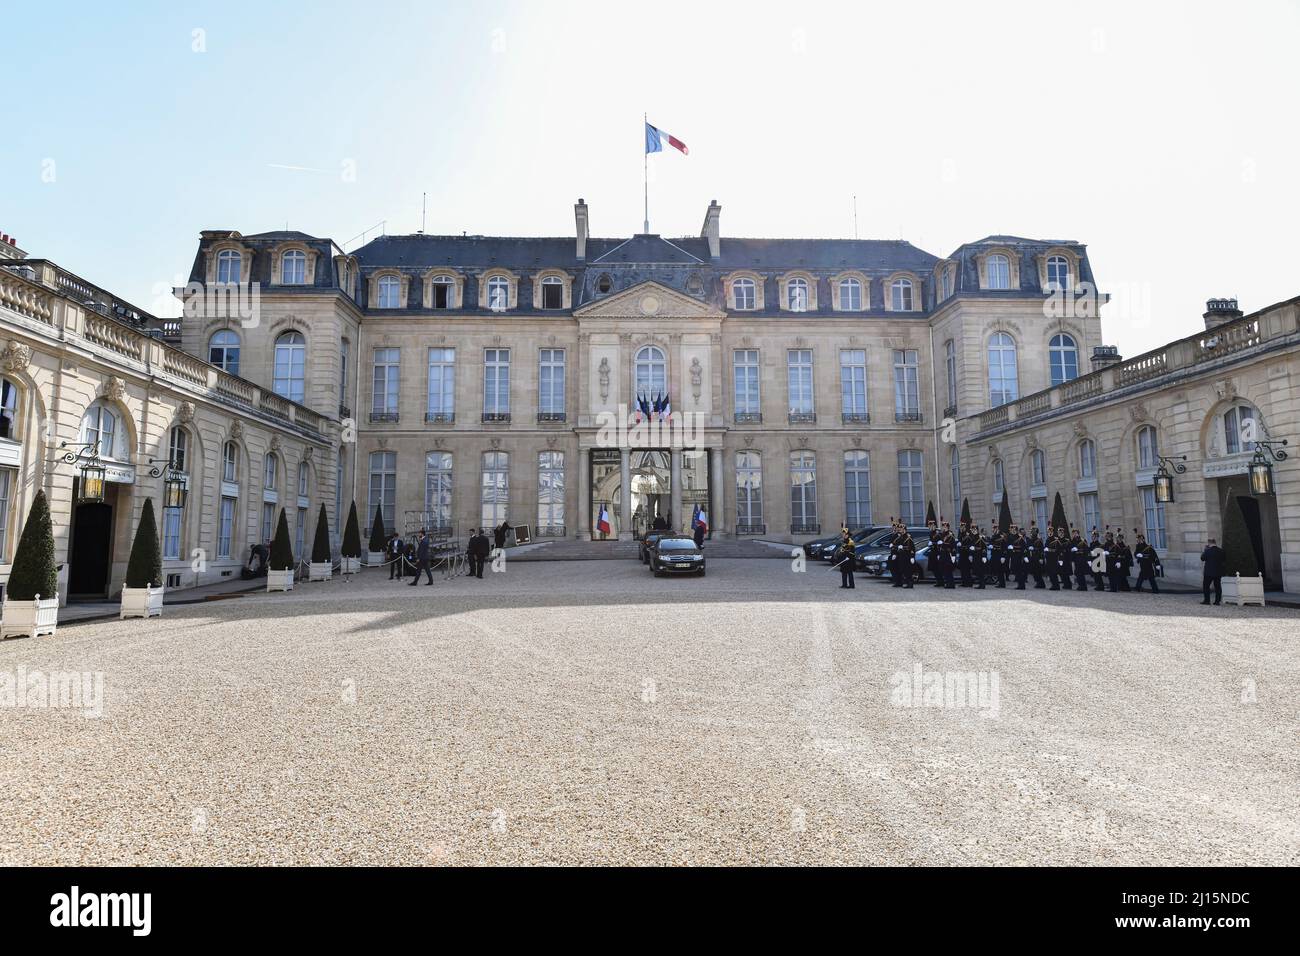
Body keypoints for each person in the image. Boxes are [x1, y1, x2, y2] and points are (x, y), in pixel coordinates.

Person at [1200, 536, 1225, 605]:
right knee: (1218, 587)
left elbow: (1202, 558)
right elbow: (1223, 560)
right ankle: (1217, 601)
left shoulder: (1207, 550)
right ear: (1215, 542)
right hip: (1218, 571)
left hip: (1208, 572)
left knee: (1206, 586)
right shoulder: (1221, 551)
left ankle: (1207, 601)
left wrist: (1205, 550)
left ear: (1209, 543)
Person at [1070, 528, 1091, 592]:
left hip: (1082, 558)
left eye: (1075, 533)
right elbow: (1070, 548)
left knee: (1080, 573)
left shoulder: (1082, 540)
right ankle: (1080, 585)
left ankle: (1083, 586)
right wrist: (1072, 550)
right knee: (1077, 573)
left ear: (1078, 534)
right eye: (1073, 533)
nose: (1074, 534)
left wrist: (1088, 559)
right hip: (1076, 559)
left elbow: (1086, 549)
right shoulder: (1073, 541)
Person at [1027, 524, 1046, 589]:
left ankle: (1041, 584)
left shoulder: (1039, 540)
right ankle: (1038, 582)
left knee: (1038, 572)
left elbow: (1041, 549)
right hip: (1032, 557)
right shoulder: (1031, 539)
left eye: (1032, 532)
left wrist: (1041, 558)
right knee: (1034, 572)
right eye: (1031, 532)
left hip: (1038, 557)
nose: (1031, 533)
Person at [957, 523, 974, 588]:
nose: (961, 528)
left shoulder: (968, 535)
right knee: (962, 569)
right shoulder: (960, 535)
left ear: (965, 528)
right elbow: (959, 544)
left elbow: (970, 545)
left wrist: (970, 554)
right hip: (962, 553)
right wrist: (958, 551)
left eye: (963, 527)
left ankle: (969, 583)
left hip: (966, 553)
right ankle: (964, 582)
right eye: (961, 527)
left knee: (967, 570)